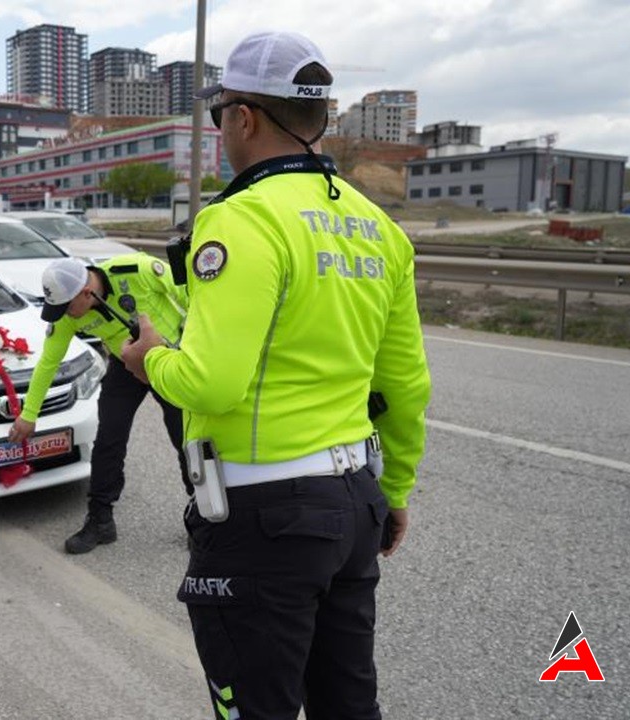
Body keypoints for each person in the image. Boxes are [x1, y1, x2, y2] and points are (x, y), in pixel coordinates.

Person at [120, 31, 431, 720]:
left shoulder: (242, 217)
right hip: (356, 501)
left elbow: (208, 383)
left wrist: (149, 361)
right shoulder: (380, 230)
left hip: (267, 516)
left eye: (218, 115)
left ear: (244, 118)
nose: (220, 129)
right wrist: (396, 488)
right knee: (349, 705)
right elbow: (406, 385)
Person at [6, 253, 191, 553]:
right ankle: (100, 520)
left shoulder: (138, 271)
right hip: (126, 364)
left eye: (67, 306)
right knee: (108, 441)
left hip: (173, 359)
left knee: (186, 439)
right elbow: (48, 363)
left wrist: (197, 350)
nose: (65, 314)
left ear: (86, 292)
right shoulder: (69, 313)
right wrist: (29, 415)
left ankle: (203, 522)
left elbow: (191, 295)